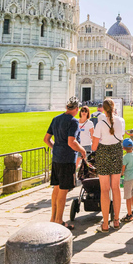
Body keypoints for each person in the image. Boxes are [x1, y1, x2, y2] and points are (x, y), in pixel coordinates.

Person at [43, 98, 86, 229]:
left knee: (56, 188)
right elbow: (71, 142)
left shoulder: (56, 119)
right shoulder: (73, 121)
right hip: (67, 159)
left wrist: (55, 148)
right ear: (77, 109)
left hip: (56, 158)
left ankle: (53, 218)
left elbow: (46, 139)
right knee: (63, 190)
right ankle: (59, 220)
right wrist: (82, 150)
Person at [92, 98, 126, 232]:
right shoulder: (121, 121)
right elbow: (120, 136)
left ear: (104, 110)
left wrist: (99, 140)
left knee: (105, 189)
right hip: (117, 152)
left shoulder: (100, 124)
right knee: (116, 188)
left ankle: (105, 223)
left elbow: (94, 147)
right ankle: (116, 220)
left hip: (103, 154)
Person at [121, 138, 133, 223]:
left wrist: (121, 174)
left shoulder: (125, 158)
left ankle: (129, 214)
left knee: (128, 197)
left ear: (123, 148)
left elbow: (123, 169)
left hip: (128, 178)